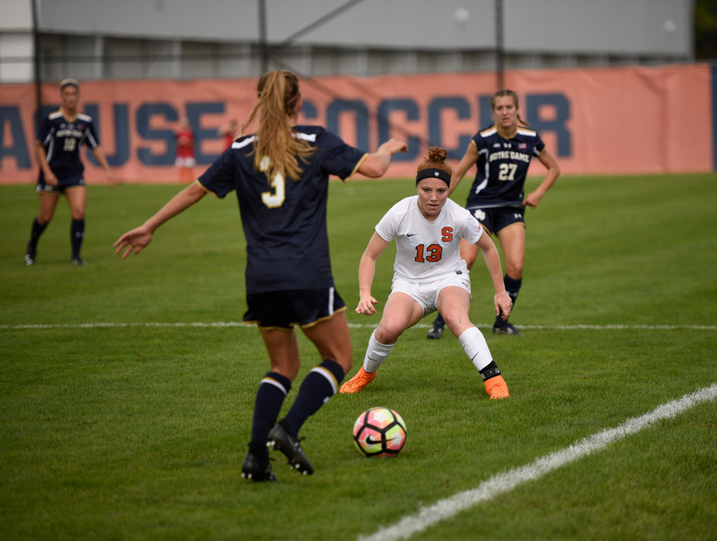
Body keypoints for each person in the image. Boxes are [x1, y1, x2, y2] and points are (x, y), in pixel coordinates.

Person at [113, 70, 407, 481]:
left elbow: (195, 189)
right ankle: (288, 429)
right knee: (338, 358)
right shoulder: (314, 140)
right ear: (297, 101)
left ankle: (256, 456)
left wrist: (150, 225)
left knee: (282, 366)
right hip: (307, 272)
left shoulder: (240, 149)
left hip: (262, 278)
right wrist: (388, 146)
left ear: (260, 100)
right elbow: (375, 168)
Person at [339, 147, 512, 400]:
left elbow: (488, 246)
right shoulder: (400, 212)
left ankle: (493, 378)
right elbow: (369, 255)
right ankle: (366, 373)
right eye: (426, 190)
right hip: (408, 284)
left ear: (449, 189)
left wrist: (501, 292)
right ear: (417, 187)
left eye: (441, 191)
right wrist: (364, 292)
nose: (433, 197)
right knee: (389, 328)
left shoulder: (458, 215)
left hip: (449, 278)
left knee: (455, 317)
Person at [426, 89, 561, 339]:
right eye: (500, 108)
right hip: (481, 206)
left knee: (516, 266)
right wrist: (441, 199)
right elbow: (459, 172)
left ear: (517, 109)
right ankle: (440, 320)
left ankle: (501, 323)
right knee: (465, 262)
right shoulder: (483, 139)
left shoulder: (530, 138)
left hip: (511, 208)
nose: (505, 112)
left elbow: (554, 168)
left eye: (509, 107)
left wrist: (539, 193)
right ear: (494, 111)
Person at [25, 78, 114, 267]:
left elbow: (95, 146)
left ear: (78, 96)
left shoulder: (85, 121)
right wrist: (46, 171)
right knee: (45, 216)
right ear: (62, 96)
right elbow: (39, 145)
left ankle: (76, 256)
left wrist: (107, 169)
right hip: (52, 173)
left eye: (74, 94)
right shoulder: (52, 120)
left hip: (74, 173)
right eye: (67, 94)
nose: (71, 98)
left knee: (79, 211)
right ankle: (32, 246)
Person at [175, 117, 196, 182]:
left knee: (189, 169)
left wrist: (187, 142)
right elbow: (175, 142)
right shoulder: (179, 133)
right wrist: (180, 141)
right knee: (181, 169)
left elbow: (194, 142)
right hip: (181, 154)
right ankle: (181, 181)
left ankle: (190, 181)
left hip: (189, 154)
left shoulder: (191, 132)